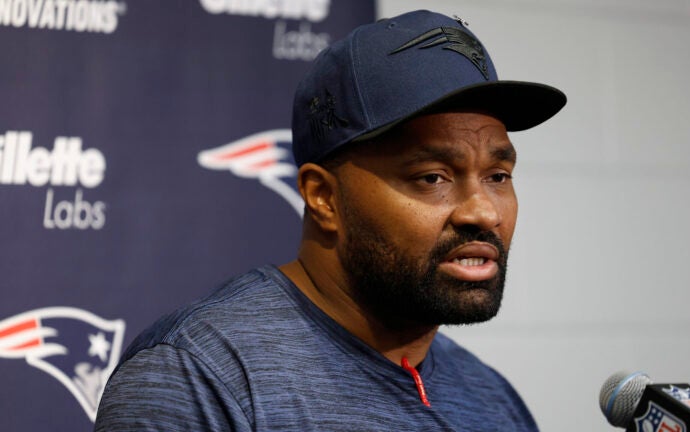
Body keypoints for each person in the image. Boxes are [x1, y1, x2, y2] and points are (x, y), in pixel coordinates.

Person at [94, 9, 566, 431]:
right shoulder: (199, 378)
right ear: (323, 196)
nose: (482, 211)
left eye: (498, 175)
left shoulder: (491, 399)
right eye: (431, 178)